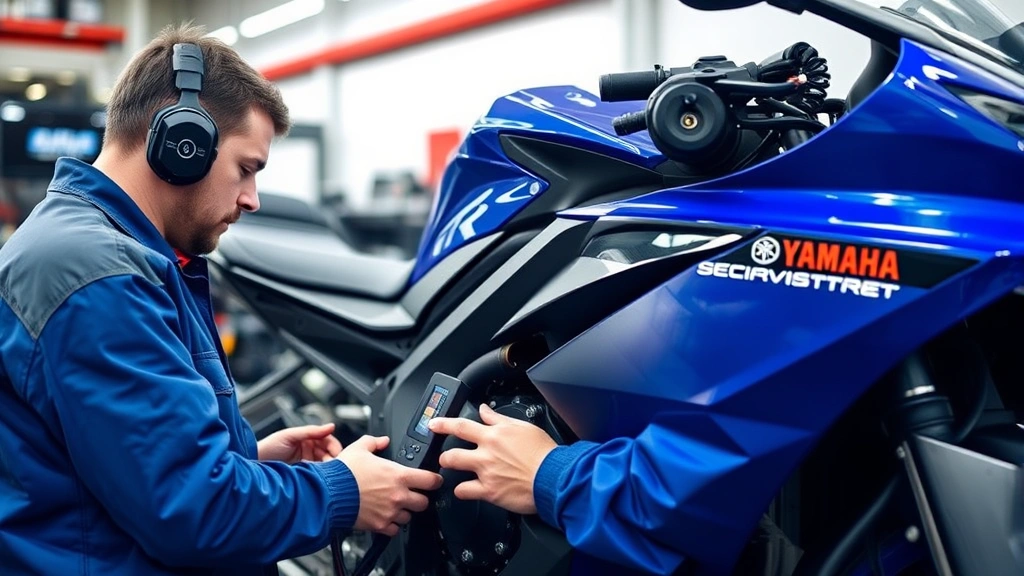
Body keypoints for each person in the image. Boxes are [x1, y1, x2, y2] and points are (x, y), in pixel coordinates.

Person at [0, 24, 442, 576]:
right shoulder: (96, 274)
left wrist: (244, 457)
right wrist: (342, 492)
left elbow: (121, 468)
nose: (252, 198)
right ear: (182, 144)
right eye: (246, 168)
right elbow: (193, 512)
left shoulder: (114, 254)